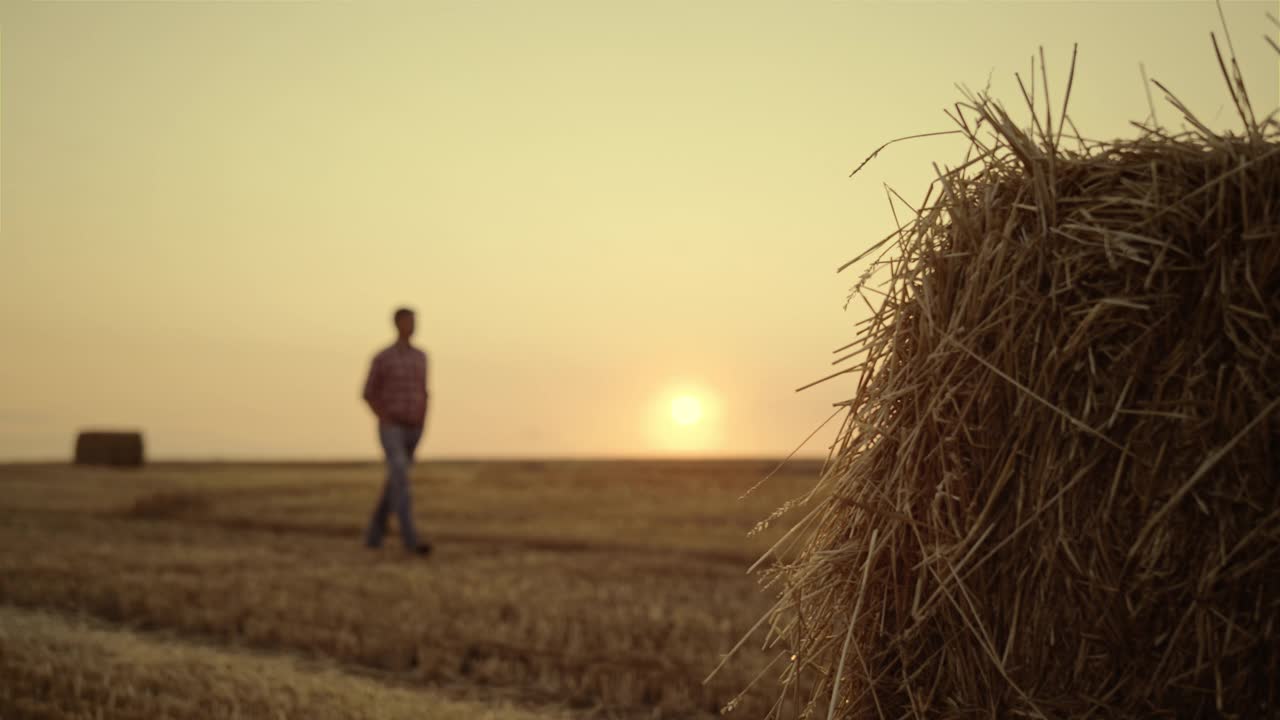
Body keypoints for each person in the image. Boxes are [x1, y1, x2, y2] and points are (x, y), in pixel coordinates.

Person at [362, 307, 431, 555]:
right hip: (391, 426)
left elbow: (424, 391)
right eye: (408, 321)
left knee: (396, 482)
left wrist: (423, 421)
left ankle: (373, 535)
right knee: (400, 475)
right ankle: (410, 539)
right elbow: (368, 392)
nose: (412, 326)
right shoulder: (383, 357)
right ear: (396, 324)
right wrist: (384, 416)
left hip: (414, 427)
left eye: (414, 321)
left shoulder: (421, 357)